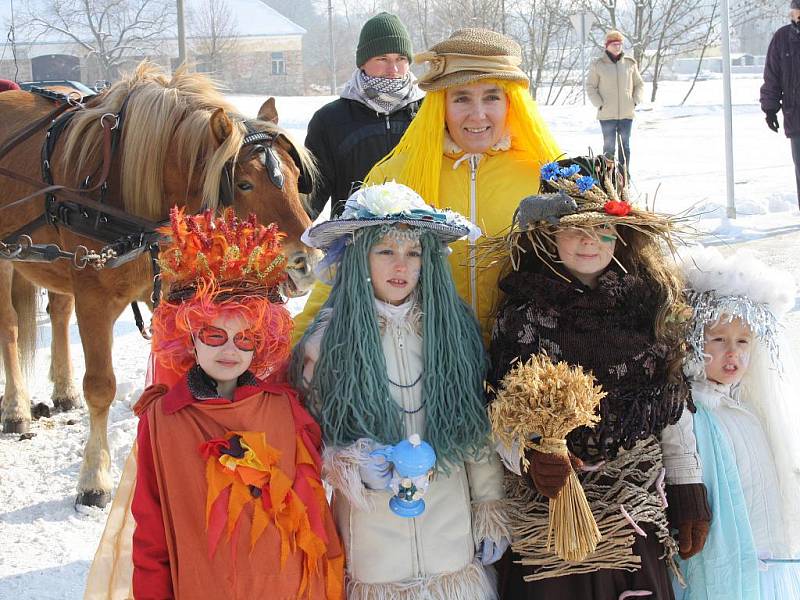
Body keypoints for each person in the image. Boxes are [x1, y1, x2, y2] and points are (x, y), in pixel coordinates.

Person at [84, 207, 344, 600]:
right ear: (188, 335)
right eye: (213, 334)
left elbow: (313, 517)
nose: (229, 350)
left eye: (245, 338)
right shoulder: (163, 420)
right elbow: (151, 534)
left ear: (262, 341)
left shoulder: (286, 410)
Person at [487, 156, 710, 599]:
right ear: (549, 233)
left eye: (601, 227)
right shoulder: (524, 312)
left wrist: (688, 484)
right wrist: (528, 459)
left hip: (633, 511)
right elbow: (498, 409)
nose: (588, 241)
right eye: (573, 227)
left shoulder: (649, 306)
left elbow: (671, 404)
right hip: (551, 514)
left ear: (621, 232)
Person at [292, 182, 509, 599]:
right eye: (385, 251)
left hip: (451, 551)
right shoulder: (327, 343)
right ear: (358, 257)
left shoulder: (451, 333)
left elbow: (474, 431)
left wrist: (488, 507)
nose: (401, 266)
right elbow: (307, 440)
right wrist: (350, 463)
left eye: (413, 253)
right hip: (375, 557)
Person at [295, 27, 561, 341]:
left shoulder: (544, 176)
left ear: (511, 103)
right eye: (461, 98)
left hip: (523, 359)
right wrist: (297, 342)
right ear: (440, 105)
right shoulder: (394, 176)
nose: (478, 115)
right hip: (426, 363)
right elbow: (342, 265)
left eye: (492, 97)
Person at [673, 246, 800, 599]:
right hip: (724, 556)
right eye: (718, 340)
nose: (733, 353)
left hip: (765, 552)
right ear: (693, 343)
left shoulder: (748, 411)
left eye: (743, 341)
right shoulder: (691, 412)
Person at [304, 12, 424, 219]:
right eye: (382, 59)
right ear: (362, 62)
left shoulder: (428, 111)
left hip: (420, 241)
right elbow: (312, 195)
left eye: (401, 59)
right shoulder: (329, 120)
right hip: (352, 241)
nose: (393, 68)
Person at [587, 30, 644, 177]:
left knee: (625, 147)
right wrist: (599, 104)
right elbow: (590, 87)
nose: (617, 47)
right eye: (614, 44)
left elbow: (639, 84)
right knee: (609, 148)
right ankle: (609, 177)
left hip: (626, 113)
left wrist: (635, 101)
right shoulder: (598, 65)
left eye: (619, 44)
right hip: (607, 115)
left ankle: (624, 176)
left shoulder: (630, 64)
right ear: (607, 46)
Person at [760, 0, 800, 209]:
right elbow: (772, 76)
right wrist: (769, 108)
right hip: (797, 118)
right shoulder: (783, 38)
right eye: (796, 11)